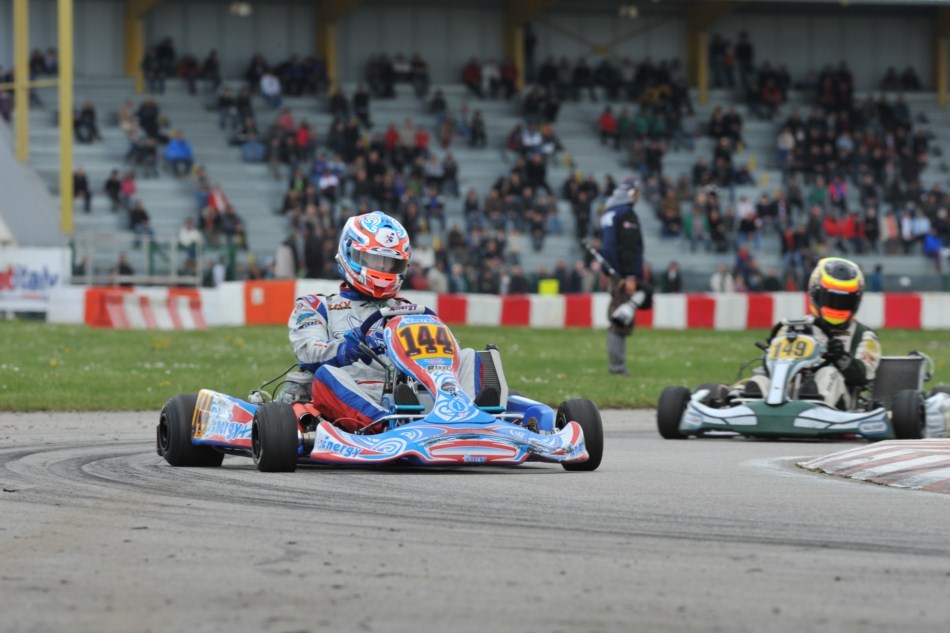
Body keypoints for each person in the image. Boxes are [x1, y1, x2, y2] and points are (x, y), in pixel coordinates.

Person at [287, 212, 489, 432]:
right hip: (353, 391)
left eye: (391, 263)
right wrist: (346, 349)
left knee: (469, 356)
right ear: (349, 253)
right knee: (325, 374)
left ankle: (466, 419)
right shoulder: (317, 306)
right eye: (374, 260)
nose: (382, 269)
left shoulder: (409, 311)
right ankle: (386, 426)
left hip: (411, 392)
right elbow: (308, 351)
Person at [742, 257, 881, 409]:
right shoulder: (793, 327)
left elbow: (865, 376)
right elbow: (771, 367)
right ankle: (751, 406)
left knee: (828, 373)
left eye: (844, 301)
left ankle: (811, 404)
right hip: (787, 390)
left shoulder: (864, 336)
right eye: (830, 299)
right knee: (760, 380)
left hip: (839, 402)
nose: (836, 306)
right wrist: (772, 354)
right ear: (815, 295)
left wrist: (842, 358)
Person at [599, 177, 646, 376]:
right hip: (623, 275)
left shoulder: (609, 212)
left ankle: (617, 366)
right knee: (620, 320)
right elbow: (628, 247)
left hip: (613, 272)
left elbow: (606, 247)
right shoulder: (625, 214)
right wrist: (631, 275)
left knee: (617, 317)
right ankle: (617, 368)